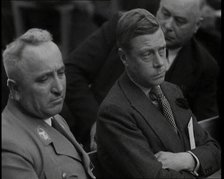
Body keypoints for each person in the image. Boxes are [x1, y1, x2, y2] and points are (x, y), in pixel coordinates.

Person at [62, 0, 219, 151]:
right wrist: (96, 121)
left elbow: (204, 129)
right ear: (158, 7)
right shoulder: (122, 27)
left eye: (180, 21)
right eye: (165, 13)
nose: (168, 25)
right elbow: (71, 72)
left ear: (197, 25)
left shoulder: (204, 66)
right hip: (95, 142)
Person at [96, 8, 221, 178]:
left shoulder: (171, 90)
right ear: (124, 58)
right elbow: (155, 177)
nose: (160, 63)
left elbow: (213, 150)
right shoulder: (115, 111)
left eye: (162, 50)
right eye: (147, 54)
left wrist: (186, 159)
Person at [2, 28, 95, 179]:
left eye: (60, 73)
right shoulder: (8, 145)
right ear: (15, 88)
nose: (59, 88)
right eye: (44, 79)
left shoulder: (55, 118)